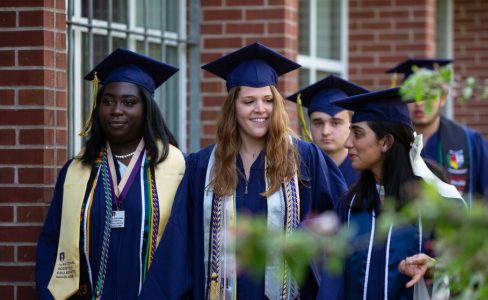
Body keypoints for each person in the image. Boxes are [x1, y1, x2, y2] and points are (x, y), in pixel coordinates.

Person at [139, 42, 347, 300]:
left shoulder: (305, 158)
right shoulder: (203, 165)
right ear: (233, 107)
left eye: (268, 101)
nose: (260, 109)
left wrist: (306, 233)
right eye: (249, 101)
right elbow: (180, 243)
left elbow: (340, 222)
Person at [35, 49, 186, 299]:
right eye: (107, 101)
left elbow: (185, 248)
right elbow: (52, 243)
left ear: (146, 109)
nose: (116, 110)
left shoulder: (176, 168)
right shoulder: (76, 171)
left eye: (129, 102)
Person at [316, 87, 464, 299]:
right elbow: (333, 285)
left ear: (385, 142)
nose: (348, 143)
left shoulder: (439, 203)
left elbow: (470, 275)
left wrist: (435, 268)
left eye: (357, 133)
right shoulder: (350, 206)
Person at [387, 58, 488, 210]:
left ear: (442, 98)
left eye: (427, 95)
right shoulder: (392, 144)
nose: (419, 103)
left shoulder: (470, 141)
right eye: (412, 95)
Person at [287, 75, 368, 187]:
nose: (326, 131)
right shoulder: (296, 174)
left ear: (351, 124)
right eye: (318, 122)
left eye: (335, 122)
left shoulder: (367, 176)